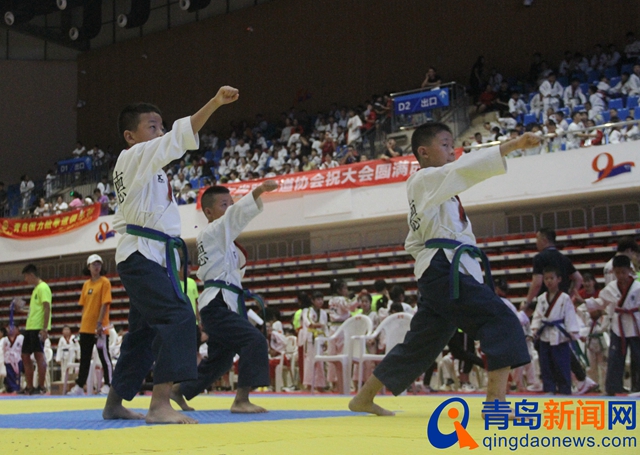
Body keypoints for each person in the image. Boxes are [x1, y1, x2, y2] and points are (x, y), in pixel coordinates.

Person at [349, 123, 536, 416]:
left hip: (440, 269)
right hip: (443, 267)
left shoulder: (436, 189)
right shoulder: (423, 179)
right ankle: (495, 404)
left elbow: (418, 237)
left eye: (453, 145)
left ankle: (363, 398)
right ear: (424, 152)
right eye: (446, 145)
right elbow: (461, 170)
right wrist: (512, 145)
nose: (452, 151)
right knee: (501, 319)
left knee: (421, 343)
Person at [103, 86, 239, 425]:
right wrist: (214, 103)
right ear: (130, 136)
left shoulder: (147, 166)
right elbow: (180, 136)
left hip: (150, 255)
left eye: (161, 126)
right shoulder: (133, 156)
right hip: (141, 255)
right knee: (178, 316)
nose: (159, 131)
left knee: (143, 332)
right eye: (152, 126)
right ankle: (160, 403)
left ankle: (114, 403)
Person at [171, 180, 278, 414]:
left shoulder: (224, 240)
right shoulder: (212, 232)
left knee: (221, 359)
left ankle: (179, 390)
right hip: (217, 304)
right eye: (224, 204)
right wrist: (258, 191)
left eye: (231, 203)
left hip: (223, 303)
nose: (230, 208)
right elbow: (235, 216)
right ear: (208, 212)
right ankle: (241, 400)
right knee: (254, 340)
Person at [581, 255, 640, 395]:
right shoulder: (611, 288)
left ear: (630, 270)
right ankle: (613, 388)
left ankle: (637, 387)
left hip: (636, 325)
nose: (621, 276)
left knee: (637, 357)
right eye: (617, 272)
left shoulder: (638, 287)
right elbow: (601, 302)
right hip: (618, 326)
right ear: (613, 271)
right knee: (614, 357)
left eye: (623, 272)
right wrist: (585, 303)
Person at [68, 254, 113, 396]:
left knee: (104, 357)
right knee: (85, 358)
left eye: (99, 264)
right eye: (94, 264)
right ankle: (79, 386)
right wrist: (82, 324)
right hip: (86, 328)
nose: (96, 267)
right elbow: (84, 306)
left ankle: (109, 384)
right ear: (89, 267)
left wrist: (99, 323)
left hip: (99, 328)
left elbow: (105, 303)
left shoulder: (105, 282)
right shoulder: (86, 285)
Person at [531, 267, 580, 395]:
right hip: (545, 334)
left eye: (551, 278)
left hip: (560, 335)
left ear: (559, 279)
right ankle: (549, 388)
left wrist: (572, 331)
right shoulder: (541, 298)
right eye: (546, 279)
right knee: (546, 364)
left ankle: (565, 389)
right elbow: (537, 315)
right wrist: (535, 328)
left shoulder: (565, 298)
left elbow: (569, 314)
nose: (549, 281)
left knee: (562, 363)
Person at [17, 264, 51, 395]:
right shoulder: (36, 289)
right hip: (30, 327)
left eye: (26, 276)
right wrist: (21, 310)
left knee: (39, 355)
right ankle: (29, 386)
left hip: (38, 328)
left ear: (31, 275)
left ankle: (41, 387)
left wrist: (44, 329)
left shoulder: (43, 288)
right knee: (25, 356)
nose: (25, 279)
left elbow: (47, 307)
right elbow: (34, 310)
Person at [301, 291, 329, 392]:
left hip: (320, 338)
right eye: (318, 299)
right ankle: (309, 385)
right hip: (310, 339)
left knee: (320, 362)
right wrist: (317, 325)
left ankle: (320, 386)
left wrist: (326, 341)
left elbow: (325, 327)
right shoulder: (307, 311)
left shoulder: (324, 313)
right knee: (310, 362)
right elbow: (309, 323)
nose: (320, 301)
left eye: (321, 299)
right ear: (312, 301)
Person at [1, 324, 24, 393]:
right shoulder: (4, 339)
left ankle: (17, 388)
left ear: (17, 329)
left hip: (18, 359)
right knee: (9, 375)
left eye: (13, 328)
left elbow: (24, 349)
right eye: (9, 328)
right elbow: (2, 350)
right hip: (8, 360)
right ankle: (12, 389)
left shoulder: (21, 338)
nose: (10, 330)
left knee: (17, 375)